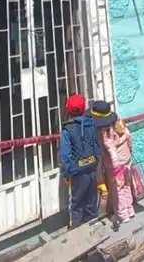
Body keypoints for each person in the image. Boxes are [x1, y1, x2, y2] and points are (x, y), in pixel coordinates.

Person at [59, 94, 101, 227]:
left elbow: (65, 156)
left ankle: (77, 239)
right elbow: (96, 146)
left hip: (78, 174)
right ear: (84, 108)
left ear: (67, 110)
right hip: (92, 171)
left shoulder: (67, 130)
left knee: (76, 207)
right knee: (91, 205)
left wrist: (66, 173)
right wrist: (96, 162)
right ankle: (94, 235)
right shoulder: (91, 124)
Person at [97, 103, 135, 224]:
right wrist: (129, 152)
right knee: (127, 185)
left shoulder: (107, 132)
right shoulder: (120, 124)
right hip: (127, 161)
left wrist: (116, 166)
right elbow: (130, 139)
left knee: (118, 190)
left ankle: (123, 215)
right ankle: (130, 209)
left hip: (116, 165)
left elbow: (111, 151)